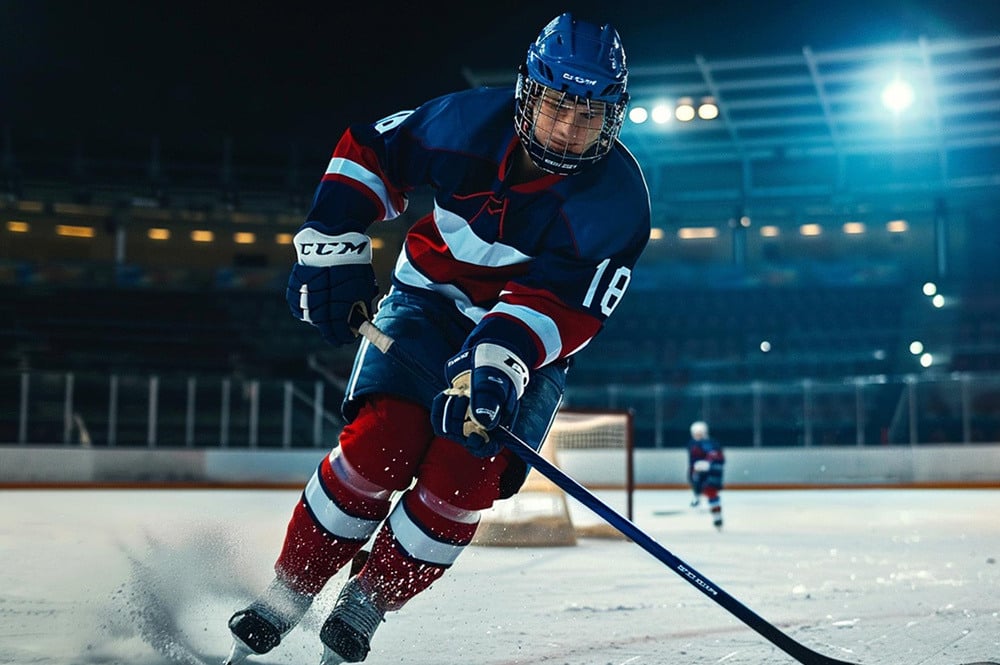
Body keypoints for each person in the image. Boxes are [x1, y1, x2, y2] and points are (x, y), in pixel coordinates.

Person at [224, 12, 650, 665]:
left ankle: (367, 601)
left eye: (589, 114)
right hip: (426, 304)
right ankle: (288, 593)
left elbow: (566, 307)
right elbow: (370, 149)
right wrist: (332, 244)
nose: (568, 129)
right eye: (559, 105)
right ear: (528, 92)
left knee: (463, 476)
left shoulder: (618, 202)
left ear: (613, 117)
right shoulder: (465, 124)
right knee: (379, 445)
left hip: (529, 347)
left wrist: (499, 360)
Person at [687, 420, 725, 529]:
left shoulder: (712, 444)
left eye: (700, 433)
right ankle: (697, 498)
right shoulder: (692, 444)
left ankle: (717, 516)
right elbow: (692, 461)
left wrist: (709, 464)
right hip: (698, 473)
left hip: (711, 474)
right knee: (696, 485)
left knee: (711, 492)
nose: (698, 435)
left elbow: (719, 458)